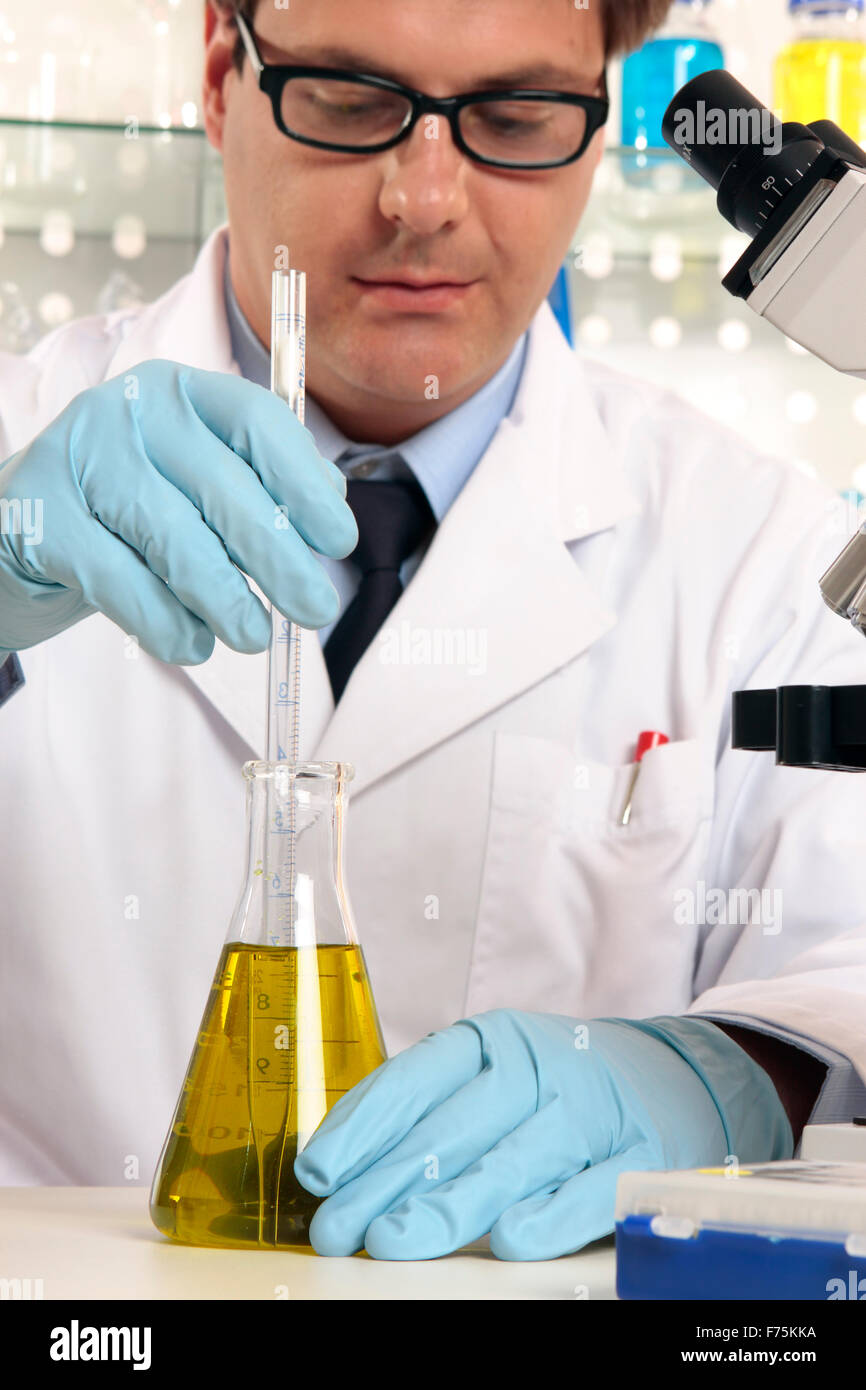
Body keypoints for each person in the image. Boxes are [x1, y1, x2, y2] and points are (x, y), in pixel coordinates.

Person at [0, 0, 863, 1263]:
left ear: (597, 121)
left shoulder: (758, 550)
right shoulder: (22, 461)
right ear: (218, 74)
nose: (424, 198)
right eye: (350, 103)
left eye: (513, 117)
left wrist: (722, 1077)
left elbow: (842, 970)